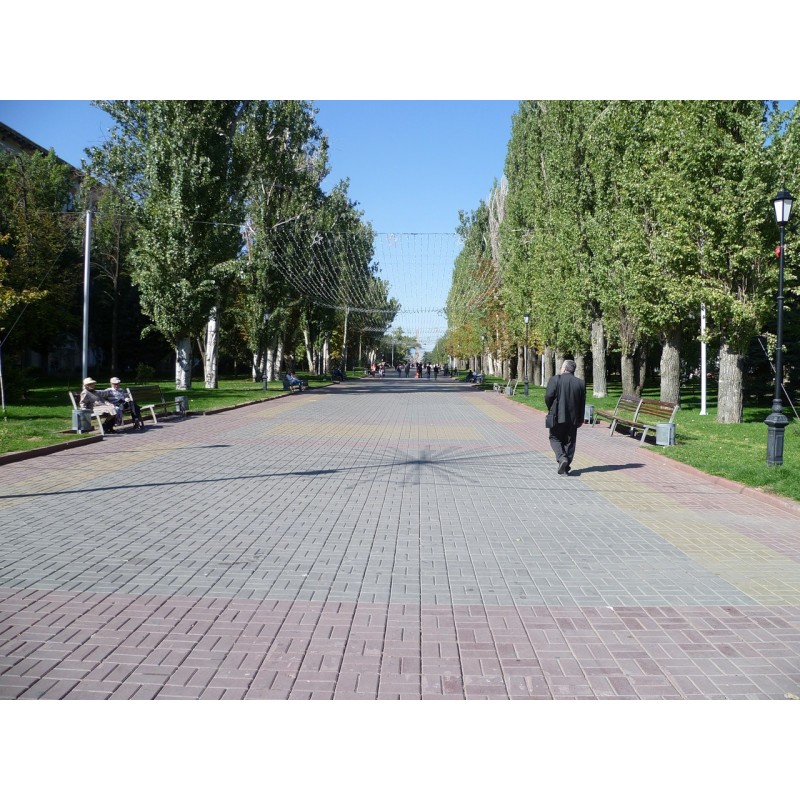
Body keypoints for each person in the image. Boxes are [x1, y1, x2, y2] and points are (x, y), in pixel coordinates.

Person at [545, 359, 586, 475]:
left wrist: (550, 408)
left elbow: (548, 396)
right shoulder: (580, 383)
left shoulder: (555, 379)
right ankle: (566, 466)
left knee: (554, 438)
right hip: (573, 418)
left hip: (557, 415)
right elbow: (582, 403)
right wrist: (580, 418)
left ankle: (562, 458)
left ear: (564, 368)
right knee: (570, 441)